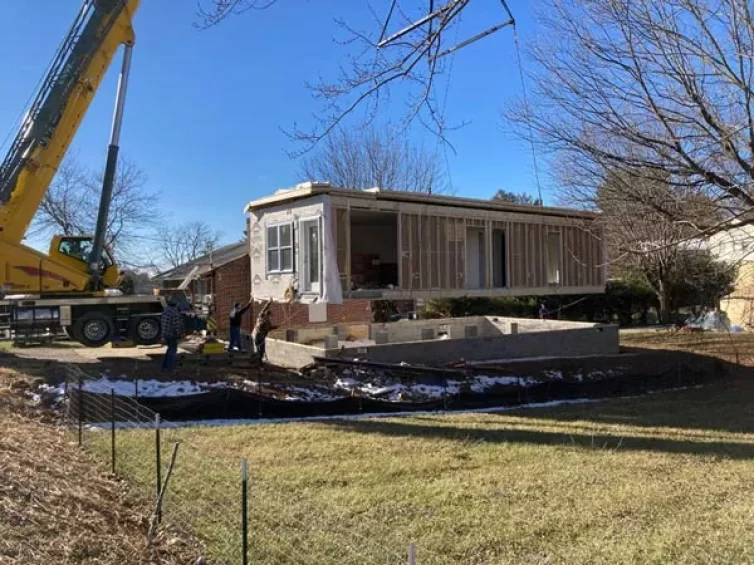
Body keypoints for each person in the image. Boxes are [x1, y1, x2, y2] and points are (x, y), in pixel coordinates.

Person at [161, 299, 184, 370]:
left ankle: (165, 365)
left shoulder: (165, 311)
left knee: (169, 349)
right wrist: (179, 334)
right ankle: (169, 366)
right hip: (172, 334)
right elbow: (176, 325)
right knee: (173, 350)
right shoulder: (175, 312)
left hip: (166, 333)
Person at [252, 299, 274, 364]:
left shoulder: (260, 316)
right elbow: (268, 329)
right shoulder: (267, 322)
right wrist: (275, 327)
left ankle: (256, 360)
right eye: (270, 316)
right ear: (269, 315)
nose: (271, 317)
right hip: (260, 336)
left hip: (254, 334)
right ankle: (259, 362)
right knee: (261, 350)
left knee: (256, 348)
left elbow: (264, 309)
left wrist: (268, 303)